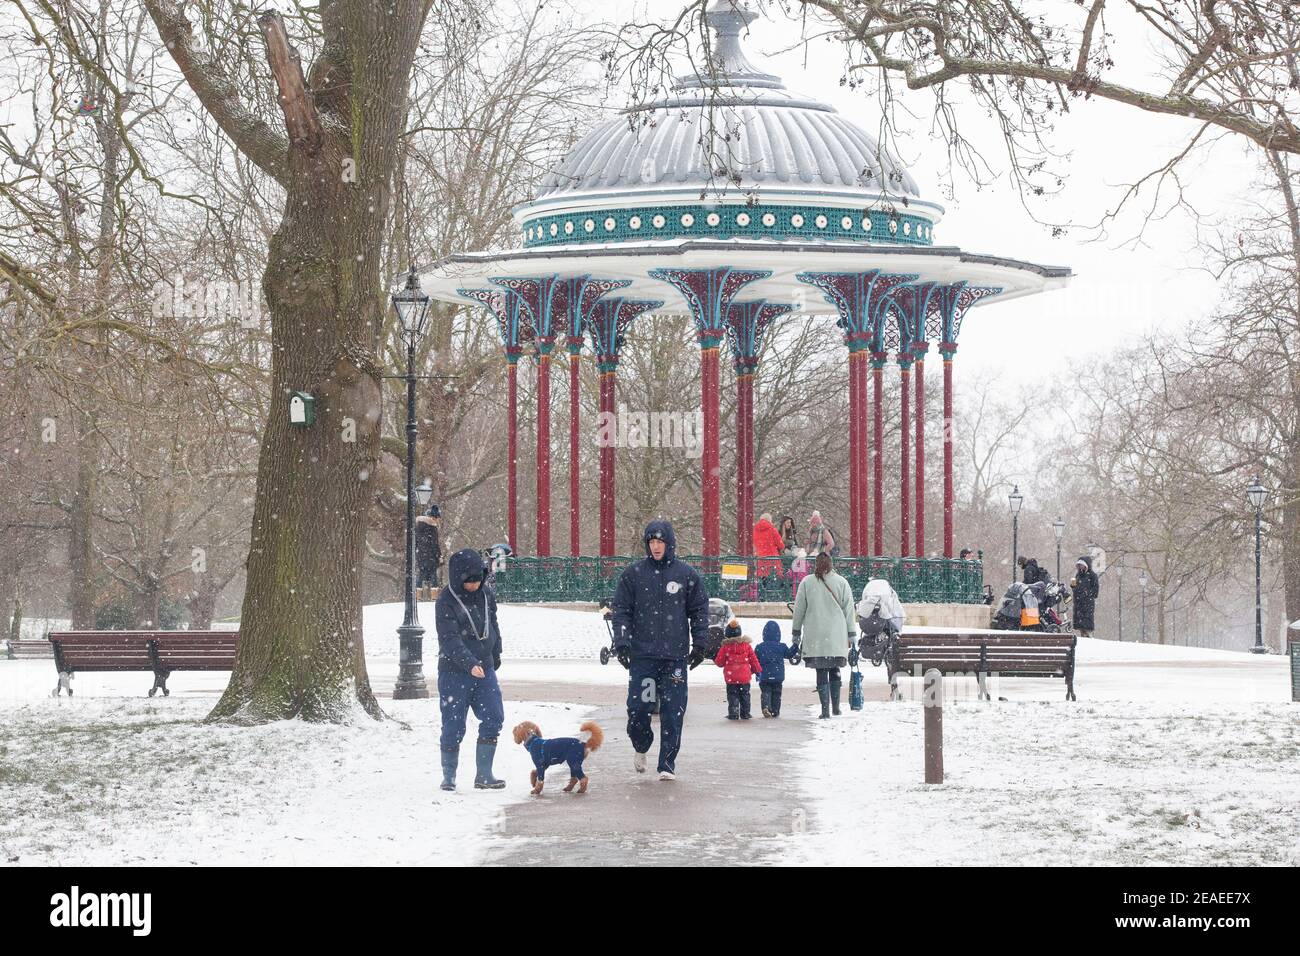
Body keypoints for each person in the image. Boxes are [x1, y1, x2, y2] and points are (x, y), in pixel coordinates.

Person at [610, 519, 710, 780]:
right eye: (651, 542)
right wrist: (622, 643)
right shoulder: (633, 574)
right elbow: (621, 610)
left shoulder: (686, 575)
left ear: (669, 544)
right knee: (638, 710)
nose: (655, 547)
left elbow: (699, 611)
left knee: (673, 711)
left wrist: (700, 645)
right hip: (643, 657)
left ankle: (667, 763)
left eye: (660, 542)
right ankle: (641, 745)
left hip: (674, 657)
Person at [435, 547, 505, 792]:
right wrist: (468, 663)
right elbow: (449, 639)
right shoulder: (446, 601)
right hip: (454, 670)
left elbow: (493, 622)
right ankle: (449, 775)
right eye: (469, 581)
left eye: (478, 580)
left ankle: (484, 775)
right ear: (458, 578)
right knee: (453, 725)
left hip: (484, 667)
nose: (474, 585)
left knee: (494, 716)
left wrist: (496, 653)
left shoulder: (486, 594)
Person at [791, 552, 856, 719]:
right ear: (832, 564)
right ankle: (836, 707)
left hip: (815, 635)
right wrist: (851, 633)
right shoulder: (842, 582)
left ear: (816, 564)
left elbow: (799, 609)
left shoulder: (807, 582)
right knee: (835, 668)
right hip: (836, 634)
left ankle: (825, 710)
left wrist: (796, 632)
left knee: (821, 671)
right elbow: (849, 610)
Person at [714, 620, 761, 720]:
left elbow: (719, 663)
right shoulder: (747, 646)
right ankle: (745, 713)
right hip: (744, 676)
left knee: (732, 695)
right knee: (745, 695)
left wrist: (718, 658)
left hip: (731, 677)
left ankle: (733, 713)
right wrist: (757, 671)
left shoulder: (725, 647)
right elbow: (754, 660)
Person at [754, 620, 795, 717]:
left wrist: (756, 672)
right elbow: (789, 655)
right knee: (777, 693)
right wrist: (796, 646)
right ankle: (775, 711)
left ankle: (766, 706)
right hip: (778, 675)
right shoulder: (782, 646)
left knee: (765, 691)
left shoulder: (760, 647)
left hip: (764, 675)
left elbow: (754, 660)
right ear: (778, 634)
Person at [415, 503, 443, 595]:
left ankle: (417, 594)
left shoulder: (419, 527)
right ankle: (434, 595)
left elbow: (416, 542)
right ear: (434, 518)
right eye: (438, 518)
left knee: (421, 573)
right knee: (433, 573)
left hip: (420, 555)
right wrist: (439, 556)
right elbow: (435, 544)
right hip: (430, 555)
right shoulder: (432, 528)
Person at [1070, 556, 1100, 637]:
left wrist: (1086, 593)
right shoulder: (1078, 575)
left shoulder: (1092, 576)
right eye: (1079, 565)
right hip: (1078, 603)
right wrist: (1073, 587)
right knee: (1080, 624)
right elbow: (1076, 590)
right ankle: (1084, 635)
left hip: (1087, 604)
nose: (1080, 567)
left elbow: (1095, 591)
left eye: (1081, 565)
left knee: (1086, 623)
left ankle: (1087, 636)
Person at [753, 512, 785, 578]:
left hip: (761, 558)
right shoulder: (772, 529)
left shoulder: (755, 531)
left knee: (763, 578)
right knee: (775, 579)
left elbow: (755, 543)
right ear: (769, 520)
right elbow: (780, 544)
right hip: (772, 558)